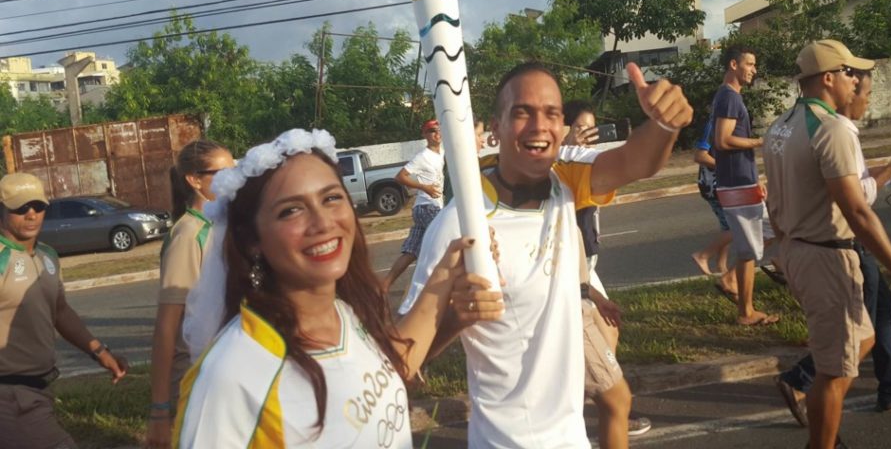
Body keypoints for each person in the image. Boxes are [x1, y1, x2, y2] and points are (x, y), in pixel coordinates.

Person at [400, 61, 692, 447]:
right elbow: (404, 362)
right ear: (496, 128)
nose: (540, 126)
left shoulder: (563, 179)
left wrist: (664, 125)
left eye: (552, 113)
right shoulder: (460, 224)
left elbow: (634, 161)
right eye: (523, 112)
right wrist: (454, 317)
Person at [175, 129, 502, 448]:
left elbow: (392, 368)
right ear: (252, 239)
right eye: (291, 210)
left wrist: (449, 287)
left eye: (331, 198)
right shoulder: (233, 375)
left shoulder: (345, 312)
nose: (323, 223)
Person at [763, 40, 891, 449]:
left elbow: (774, 199)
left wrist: (786, 251)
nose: (856, 81)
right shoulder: (833, 129)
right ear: (828, 78)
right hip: (828, 256)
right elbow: (858, 212)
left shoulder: (779, 126)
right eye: (850, 73)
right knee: (834, 372)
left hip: (800, 251)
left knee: (860, 343)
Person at [0, 172, 129, 449]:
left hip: (38, 388)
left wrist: (100, 352)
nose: (31, 214)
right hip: (9, 395)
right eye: (20, 208)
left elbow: (60, 311)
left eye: (38, 206)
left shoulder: (47, 256)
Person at [562, 99, 653, 442]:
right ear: (563, 129)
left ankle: (601, 399)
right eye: (581, 128)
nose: (588, 136)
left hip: (586, 264)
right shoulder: (559, 168)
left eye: (592, 129)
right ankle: (603, 403)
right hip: (571, 269)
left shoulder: (582, 164)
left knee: (609, 332)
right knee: (600, 334)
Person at [146, 140, 235, 449]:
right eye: (222, 173)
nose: (233, 179)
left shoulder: (221, 224)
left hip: (226, 371)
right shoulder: (188, 235)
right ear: (194, 180)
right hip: (197, 377)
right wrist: (159, 410)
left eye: (235, 170)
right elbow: (167, 326)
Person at [711, 45, 778, 325]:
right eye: (749, 64)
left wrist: (756, 177)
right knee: (749, 249)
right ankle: (746, 312)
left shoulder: (729, 96)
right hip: (736, 184)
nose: (754, 69)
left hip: (742, 181)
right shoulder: (729, 97)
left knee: (776, 228)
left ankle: (730, 279)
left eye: (754, 64)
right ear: (733, 65)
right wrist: (761, 141)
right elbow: (722, 140)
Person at [382, 119, 445, 291]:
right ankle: (428, 288)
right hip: (427, 207)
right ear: (425, 135)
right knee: (445, 241)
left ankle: (383, 286)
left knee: (411, 251)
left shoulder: (442, 152)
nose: (437, 133)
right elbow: (400, 176)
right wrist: (424, 187)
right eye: (432, 131)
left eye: (439, 130)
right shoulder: (422, 157)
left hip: (429, 206)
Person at [691, 116, 737, 301]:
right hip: (716, 186)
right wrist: (726, 168)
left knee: (727, 227)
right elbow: (700, 155)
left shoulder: (722, 122)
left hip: (716, 185)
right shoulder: (714, 124)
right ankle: (703, 255)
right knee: (739, 227)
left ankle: (721, 266)